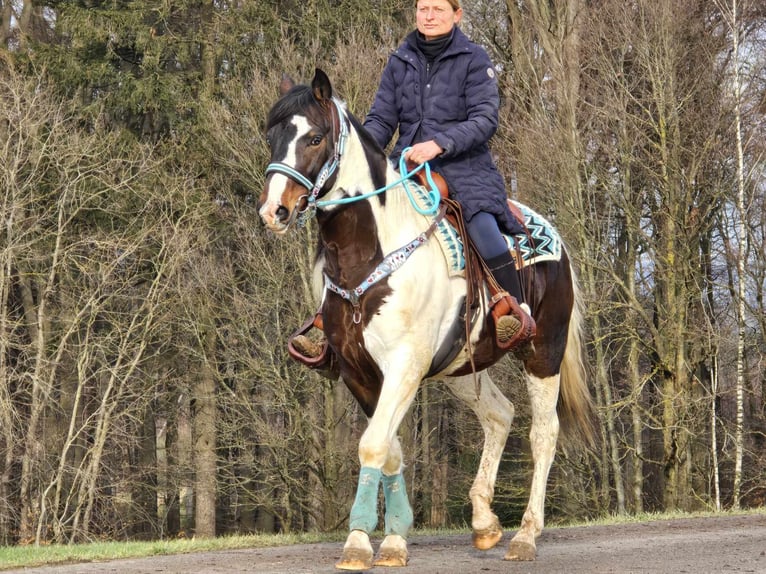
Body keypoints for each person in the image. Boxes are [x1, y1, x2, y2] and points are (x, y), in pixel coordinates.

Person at [293, 0, 534, 360]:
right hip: (404, 169)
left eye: (438, 9)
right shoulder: (400, 60)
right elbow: (380, 120)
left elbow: (486, 120)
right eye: (424, 8)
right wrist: (357, 152)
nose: (430, 16)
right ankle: (327, 322)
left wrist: (440, 144)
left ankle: (512, 309)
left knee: (484, 229)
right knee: (348, 225)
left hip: (465, 170)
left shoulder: (475, 59)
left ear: (457, 14)